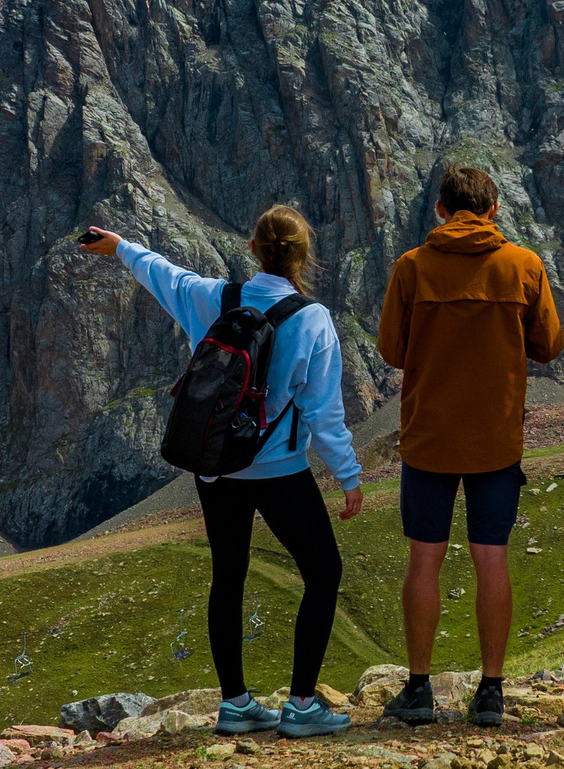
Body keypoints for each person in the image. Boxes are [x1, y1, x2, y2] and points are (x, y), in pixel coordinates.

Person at [80, 206, 362, 739]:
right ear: (304, 257)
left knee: (227, 576)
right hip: (280, 471)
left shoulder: (215, 298)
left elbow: (162, 273)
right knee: (323, 573)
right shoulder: (313, 319)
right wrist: (347, 476)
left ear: (253, 250)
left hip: (216, 469)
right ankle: (302, 704)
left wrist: (118, 246)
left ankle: (235, 704)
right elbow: (325, 414)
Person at [375, 165, 563, 727]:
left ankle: (418, 688)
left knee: (424, 560)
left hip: (428, 439)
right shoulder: (523, 266)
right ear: (493, 209)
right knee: (492, 559)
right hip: (496, 442)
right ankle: (491, 692)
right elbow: (549, 346)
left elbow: (390, 349)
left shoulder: (411, 268)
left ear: (440, 209)